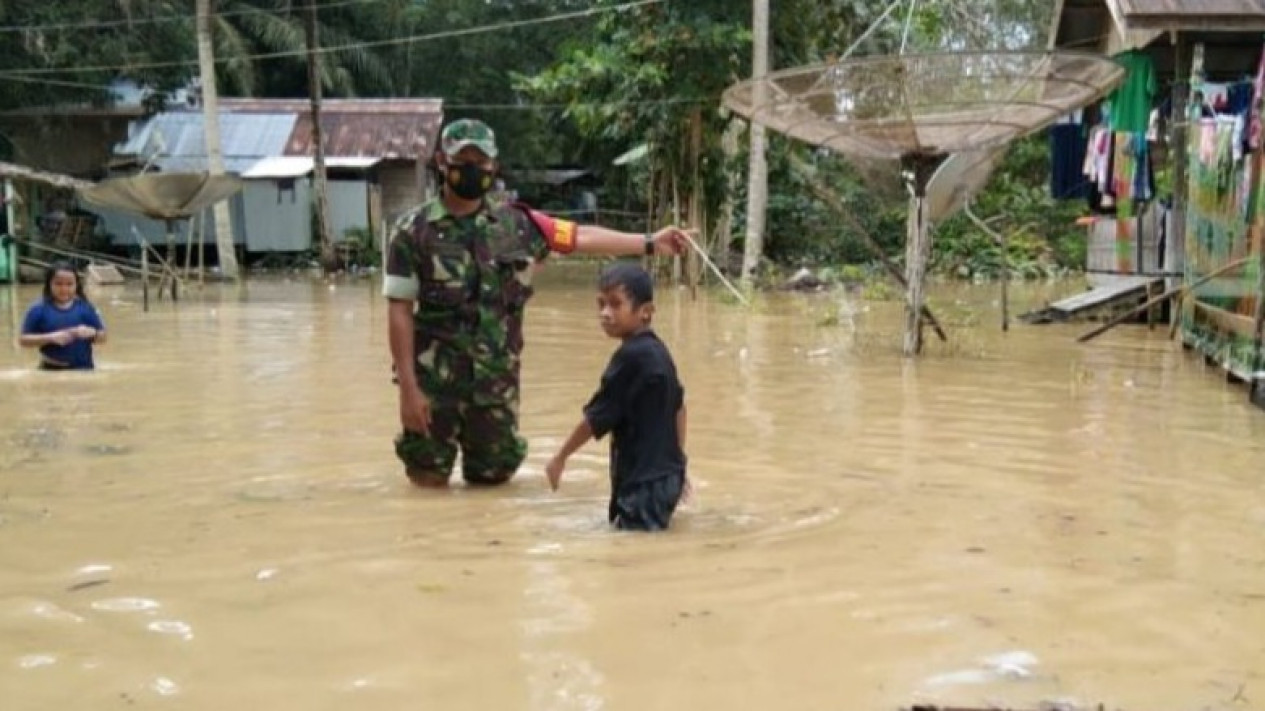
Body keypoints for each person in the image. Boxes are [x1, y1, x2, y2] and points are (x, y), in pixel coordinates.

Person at [383, 118, 689, 488]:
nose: (473, 169)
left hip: (495, 392)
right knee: (427, 484)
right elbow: (399, 311)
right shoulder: (412, 232)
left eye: (481, 161)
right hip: (433, 390)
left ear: (494, 165)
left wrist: (651, 243)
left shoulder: (519, 225)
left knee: (493, 490)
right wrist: (408, 390)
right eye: (463, 160)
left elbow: (579, 237)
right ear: (441, 162)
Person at [545, 262, 688, 531]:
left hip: (643, 487)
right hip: (665, 478)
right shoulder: (658, 351)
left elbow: (595, 418)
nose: (605, 314)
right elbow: (680, 406)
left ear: (646, 311)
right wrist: (678, 464)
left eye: (615, 304)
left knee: (633, 550)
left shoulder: (631, 357)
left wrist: (560, 457)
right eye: (601, 304)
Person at [19, 261, 107, 370]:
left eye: (69, 284)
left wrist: (92, 333)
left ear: (77, 285)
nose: (64, 289)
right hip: (51, 370)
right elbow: (23, 340)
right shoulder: (38, 309)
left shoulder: (86, 307)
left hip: (85, 369)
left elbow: (103, 337)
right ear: (49, 284)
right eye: (58, 284)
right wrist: (50, 338)